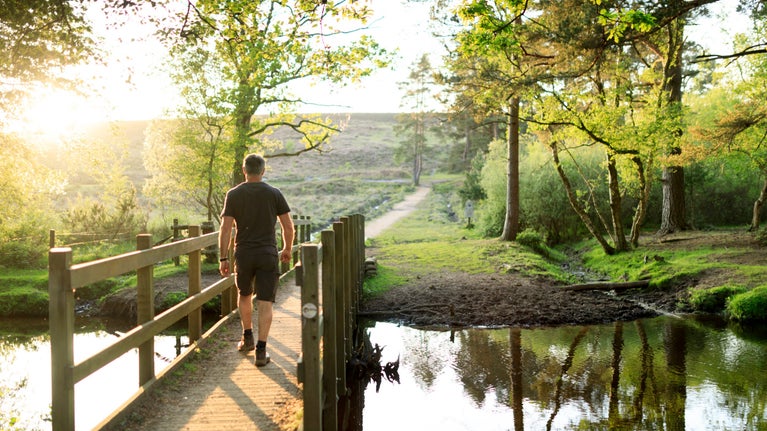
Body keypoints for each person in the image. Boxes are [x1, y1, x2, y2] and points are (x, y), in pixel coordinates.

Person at [218, 153, 294, 367]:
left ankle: (247, 337)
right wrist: (287, 248)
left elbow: (225, 229)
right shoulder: (274, 193)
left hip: (243, 253)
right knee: (265, 301)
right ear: (263, 171)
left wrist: (223, 257)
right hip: (268, 254)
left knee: (244, 295)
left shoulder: (233, 194)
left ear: (244, 170)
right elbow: (288, 226)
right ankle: (261, 350)